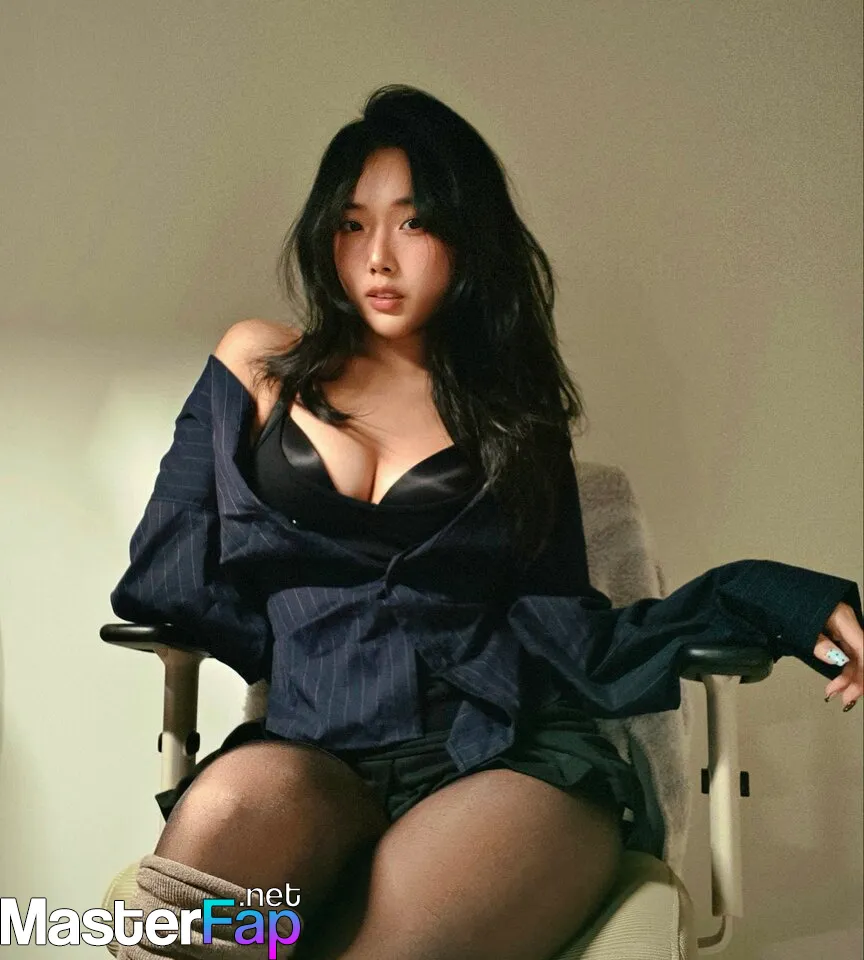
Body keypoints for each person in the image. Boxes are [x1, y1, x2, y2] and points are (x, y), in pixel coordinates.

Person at [110, 85, 863, 960]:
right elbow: (169, 566)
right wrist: (291, 626)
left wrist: (768, 597)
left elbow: (572, 633)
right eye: (352, 224)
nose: (378, 258)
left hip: (499, 759)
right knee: (177, 920)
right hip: (309, 747)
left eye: (413, 222)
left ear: (466, 238)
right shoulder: (255, 365)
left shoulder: (513, 417)